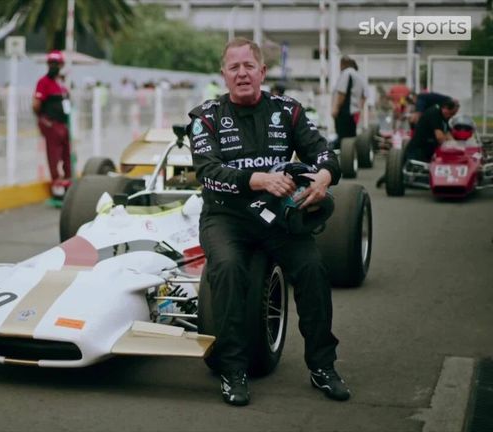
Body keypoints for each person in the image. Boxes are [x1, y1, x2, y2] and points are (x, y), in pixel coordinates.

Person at [187, 37, 348, 407]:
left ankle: (323, 366)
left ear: (262, 71)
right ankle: (232, 370)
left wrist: (323, 177)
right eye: (234, 67)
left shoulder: (288, 110)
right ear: (223, 75)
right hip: (226, 217)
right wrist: (257, 179)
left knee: (311, 269)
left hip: (278, 216)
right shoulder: (205, 117)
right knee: (226, 268)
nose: (242, 73)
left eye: (249, 66)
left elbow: (324, 152)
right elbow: (206, 171)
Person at [376, 98, 459, 188]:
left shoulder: (444, 116)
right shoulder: (434, 113)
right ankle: (388, 178)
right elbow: (440, 137)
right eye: (451, 113)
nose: (451, 116)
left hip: (428, 149)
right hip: (418, 150)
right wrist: (450, 148)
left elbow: (447, 133)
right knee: (416, 178)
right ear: (445, 108)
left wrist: (458, 146)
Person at [33, 50, 72, 191]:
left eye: (57, 63)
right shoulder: (43, 82)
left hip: (63, 123)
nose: (54, 66)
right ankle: (56, 182)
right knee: (53, 153)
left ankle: (68, 179)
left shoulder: (60, 83)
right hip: (51, 122)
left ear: (61, 65)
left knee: (66, 152)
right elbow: (36, 104)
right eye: (51, 63)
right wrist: (44, 119)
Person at [331, 56, 368, 149]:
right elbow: (365, 95)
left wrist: (336, 109)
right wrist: (360, 109)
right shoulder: (359, 76)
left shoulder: (346, 74)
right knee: (351, 138)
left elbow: (342, 93)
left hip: (345, 112)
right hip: (354, 113)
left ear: (343, 64)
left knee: (343, 139)